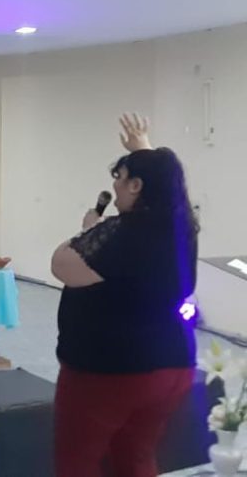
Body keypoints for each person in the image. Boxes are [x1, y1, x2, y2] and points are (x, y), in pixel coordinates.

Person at [51, 114, 198, 477]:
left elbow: (62, 265)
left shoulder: (121, 233)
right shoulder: (181, 226)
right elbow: (165, 184)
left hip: (110, 371)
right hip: (172, 366)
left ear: (135, 185)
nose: (114, 186)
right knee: (135, 459)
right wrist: (143, 148)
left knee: (78, 462)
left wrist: (88, 231)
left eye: (120, 177)